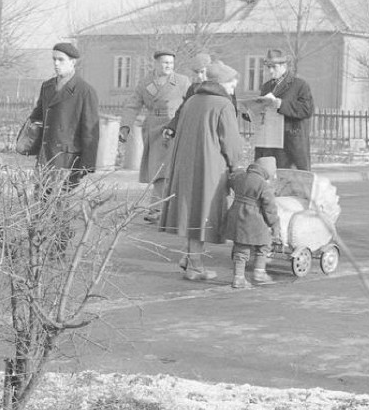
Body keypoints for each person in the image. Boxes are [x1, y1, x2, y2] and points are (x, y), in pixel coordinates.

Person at [159, 60, 243, 281]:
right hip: (210, 169)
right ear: (222, 83)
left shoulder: (193, 100)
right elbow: (231, 143)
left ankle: (189, 258)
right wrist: (236, 167)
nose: (233, 90)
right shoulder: (224, 105)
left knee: (192, 213)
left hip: (187, 165)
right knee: (203, 214)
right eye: (232, 85)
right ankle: (195, 266)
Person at [118, 50, 190, 222]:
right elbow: (133, 105)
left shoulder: (182, 81)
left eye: (171, 63)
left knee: (168, 168)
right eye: (165, 63)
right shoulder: (145, 82)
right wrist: (125, 126)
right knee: (158, 168)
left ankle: (161, 208)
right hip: (153, 128)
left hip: (174, 126)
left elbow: (191, 102)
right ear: (155, 64)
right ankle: (161, 208)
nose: (168, 66)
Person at [29, 42, 100, 188]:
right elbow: (37, 116)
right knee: (39, 202)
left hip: (67, 159)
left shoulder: (85, 91)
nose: (56, 63)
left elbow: (90, 131)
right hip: (45, 156)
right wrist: (28, 135)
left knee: (60, 204)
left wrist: (86, 164)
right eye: (54, 59)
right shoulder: (47, 86)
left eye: (61, 59)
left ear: (73, 62)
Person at [223, 156, 283, 288]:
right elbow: (270, 209)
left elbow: (231, 179)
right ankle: (259, 273)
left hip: (237, 217)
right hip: (254, 220)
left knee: (241, 248)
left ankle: (238, 278)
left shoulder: (240, 177)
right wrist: (274, 224)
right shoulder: (263, 185)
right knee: (264, 244)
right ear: (266, 172)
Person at [256, 49, 314, 171]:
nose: (270, 71)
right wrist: (252, 110)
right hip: (270, 142)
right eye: (268, 67)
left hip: (291, 144)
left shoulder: (300, 85)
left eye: (274, 67)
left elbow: (307, 109)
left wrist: (281, 104)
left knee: (294, 183)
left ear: (284, 66)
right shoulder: (267, 87)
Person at [163, 51, 211, 140]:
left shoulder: (223, 87)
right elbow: (182, 110)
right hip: (195, 133)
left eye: (202, 72)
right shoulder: (193, 89)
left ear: (210, 69)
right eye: (197, 73)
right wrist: (172, 127)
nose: (199, 76)